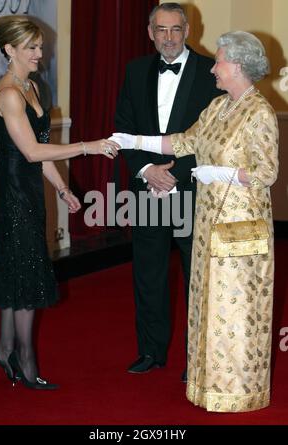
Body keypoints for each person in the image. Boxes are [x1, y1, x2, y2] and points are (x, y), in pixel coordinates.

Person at [111, 31, 279, 412]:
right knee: (208, 304)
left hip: (240, 229)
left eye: (218, 61)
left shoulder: (260, 112)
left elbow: (266, 172)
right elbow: (182, 142)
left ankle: (237, 392)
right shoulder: (219, 107)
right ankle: (207, 385)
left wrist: (218, 174)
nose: (213, 68)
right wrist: (133, 140)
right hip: (208, 226)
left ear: (236, 66)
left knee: (236, 310)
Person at [0, 15, 118, 390]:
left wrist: (62, 188)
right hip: (12, 189)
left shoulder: (31, 86)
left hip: (28, 187)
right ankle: (25, 360)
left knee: (15, 266)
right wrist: (88, 147)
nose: (39, 54)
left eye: (40, 46)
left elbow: (41, 155)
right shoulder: (9, 93)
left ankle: (5, 350)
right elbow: (29, 152)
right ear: (9, 49)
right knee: (25, 267)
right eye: (31, 47)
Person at [115, 2, 221, 379]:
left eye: (176, 29)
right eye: (162, 30)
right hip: (147, 189)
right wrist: (146, 169)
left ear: (188, 30)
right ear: (150, 33)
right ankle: (150, 351)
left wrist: (175, 173)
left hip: (192, 188)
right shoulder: (135, 70)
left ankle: (198, 357)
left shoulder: (212, 72)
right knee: (148, 273)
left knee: (198, 275)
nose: (169, 37)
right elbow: (123, 129)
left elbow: (215, 138)